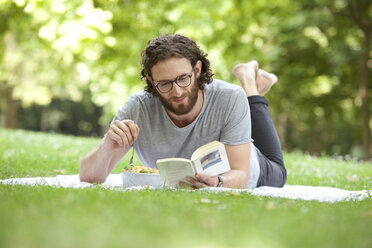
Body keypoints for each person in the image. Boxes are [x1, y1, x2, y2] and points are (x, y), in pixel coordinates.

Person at [79, 34, 286, 188]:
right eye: (165, 84)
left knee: (279, 172)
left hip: (249, 168)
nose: (177, 91)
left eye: (183, 78)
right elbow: (88, 178)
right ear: (151, 81)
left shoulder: (230, 97)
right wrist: (108, 144)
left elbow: (240, 174)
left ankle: (250, 83)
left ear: (197, 70)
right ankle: (254, 85)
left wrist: (218, 182)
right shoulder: (138, 108)